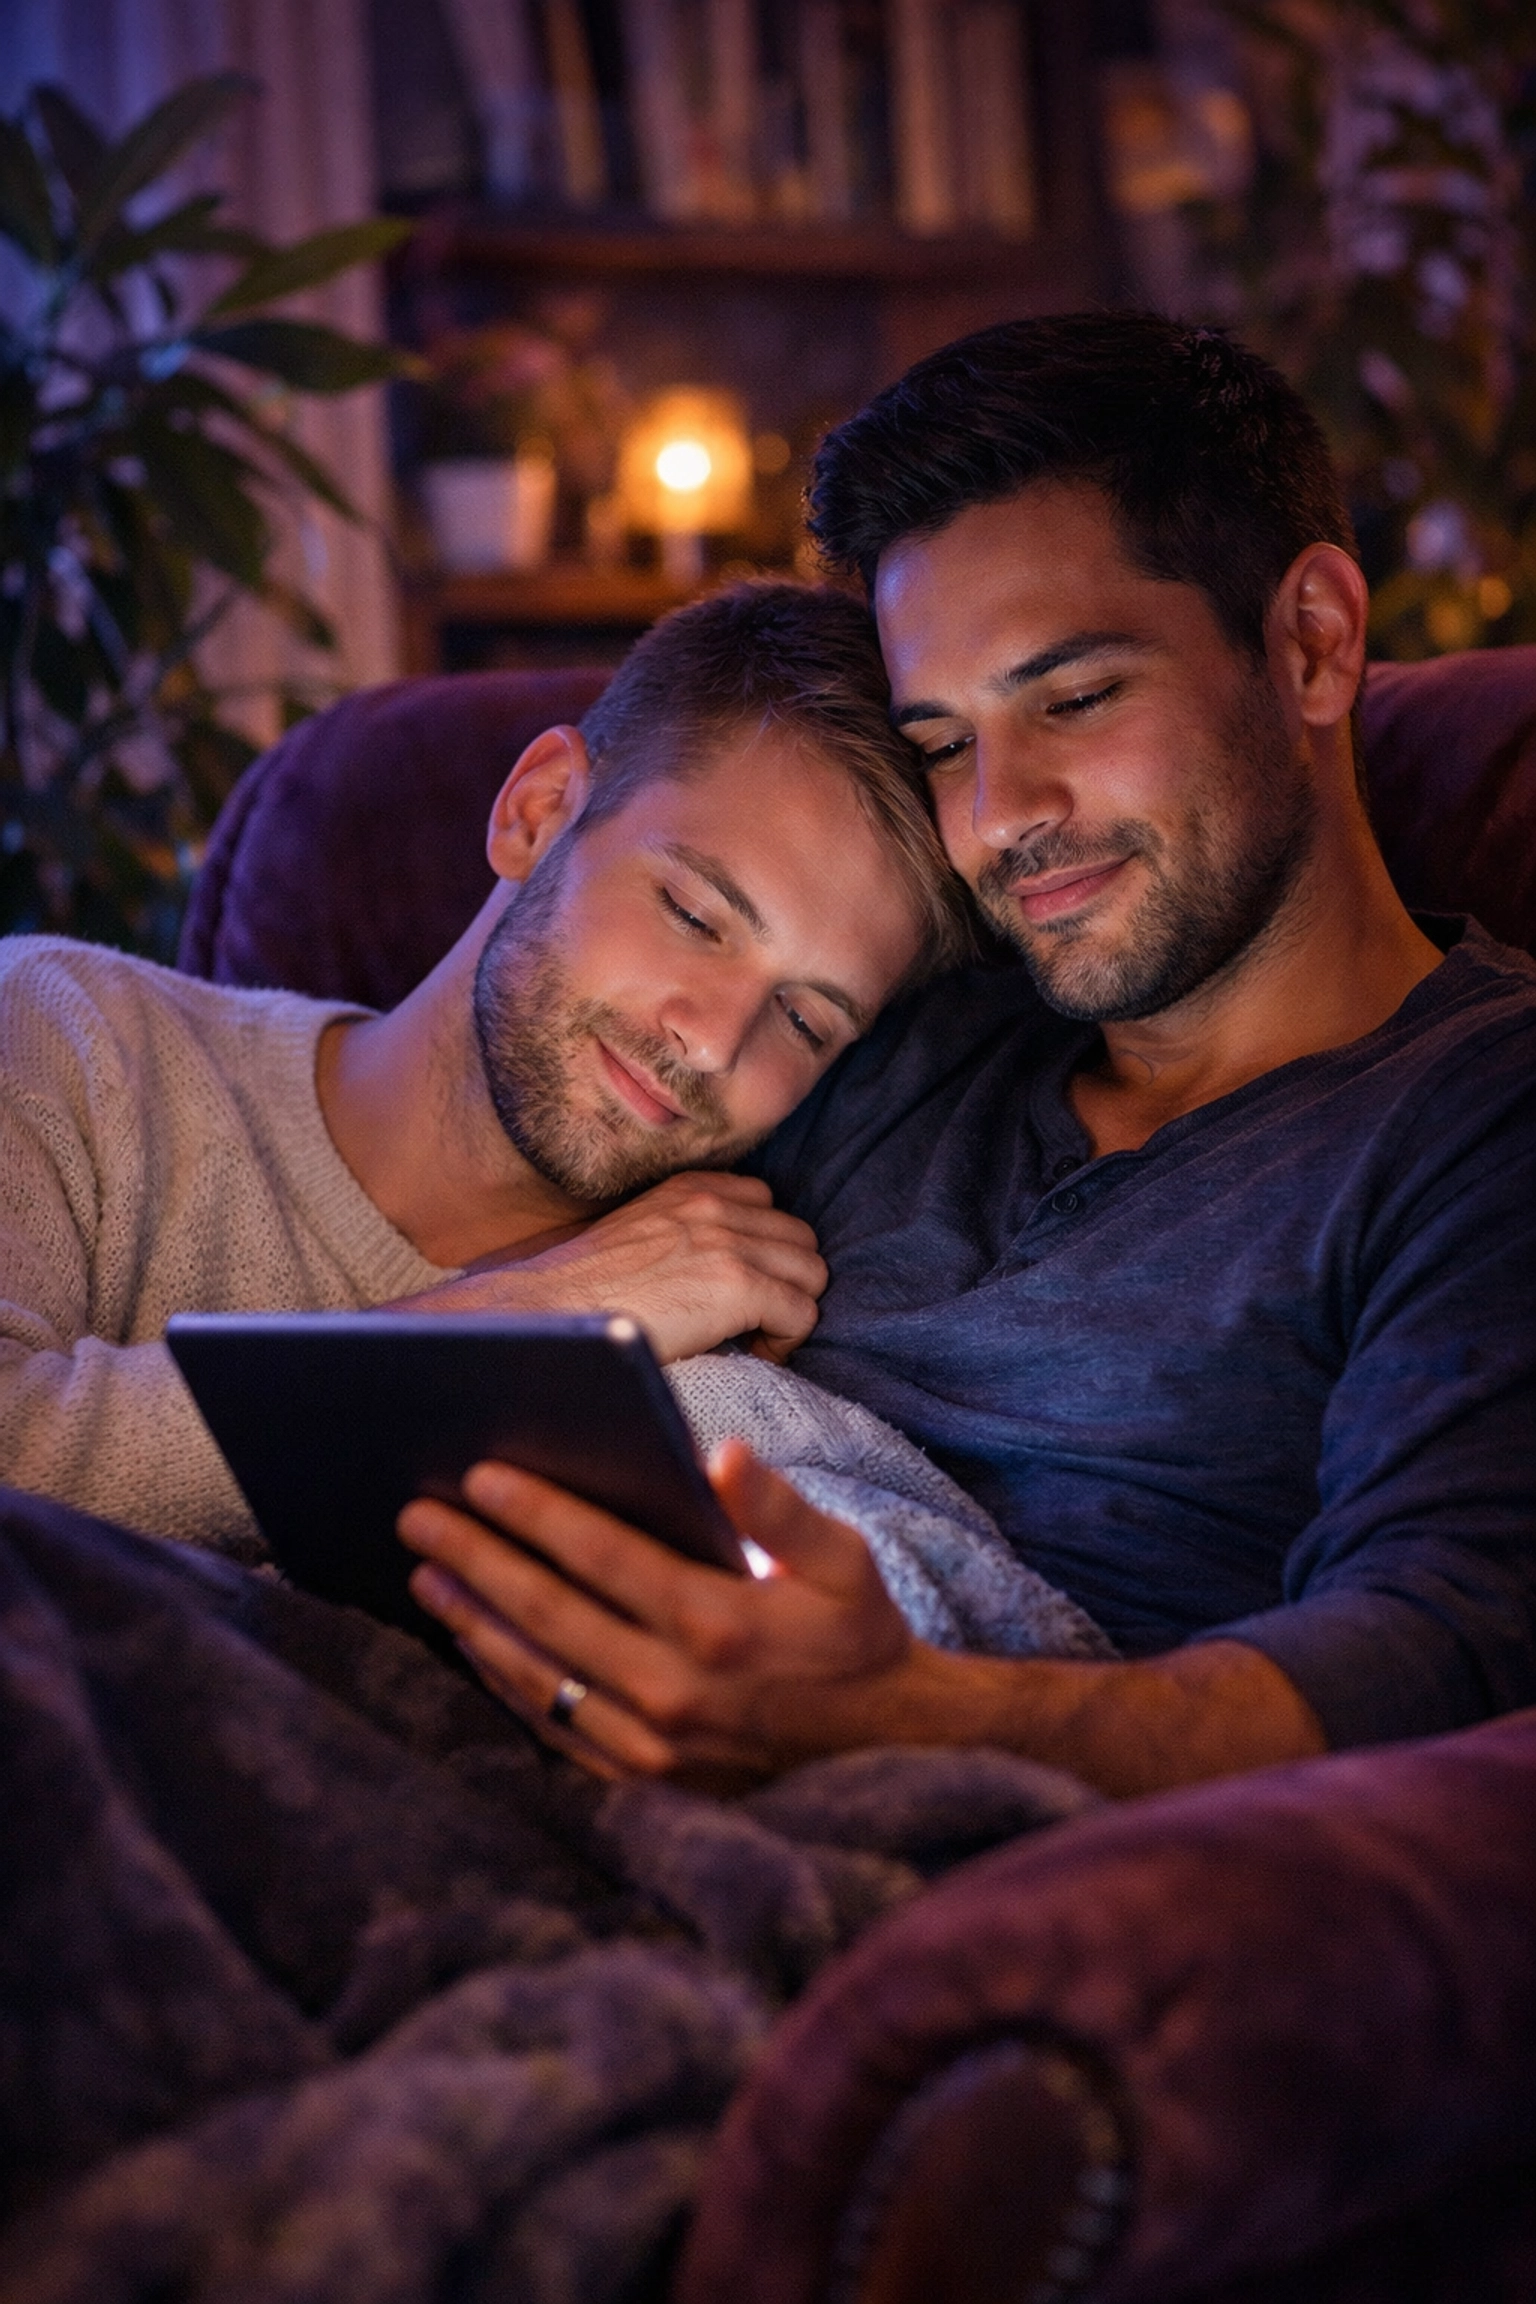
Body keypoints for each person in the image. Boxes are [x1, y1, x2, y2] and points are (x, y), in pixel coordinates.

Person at [399, 313, 1536, 1799]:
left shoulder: (1481, 1119)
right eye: (944, 744)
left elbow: (1445, 1659)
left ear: (1312, 642)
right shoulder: (892, 1030)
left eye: (1075, 699)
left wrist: (903, 1714)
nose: (999, 817)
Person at [0, 582, 970, 1551]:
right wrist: (547, 1314)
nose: (715, 1043)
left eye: (803, 1020)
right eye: (694, 916)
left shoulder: (716, 1332)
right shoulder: (65, 1030)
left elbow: (935, 1583)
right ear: (537, 813)